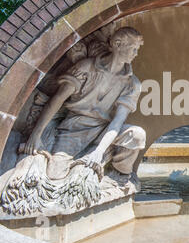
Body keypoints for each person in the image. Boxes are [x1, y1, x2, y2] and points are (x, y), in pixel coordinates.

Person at [22, 27, 146, 185]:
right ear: (117, 44)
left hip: (105, 130)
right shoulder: (86, 67)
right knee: (55, 175)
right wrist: (36, 134)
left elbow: (117, 122)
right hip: (74, 127)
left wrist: (99, 151)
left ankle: (120, 175)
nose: (136, 54)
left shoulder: (132, 83)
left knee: (137, 135)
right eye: (133, 48)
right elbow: (57, 99)